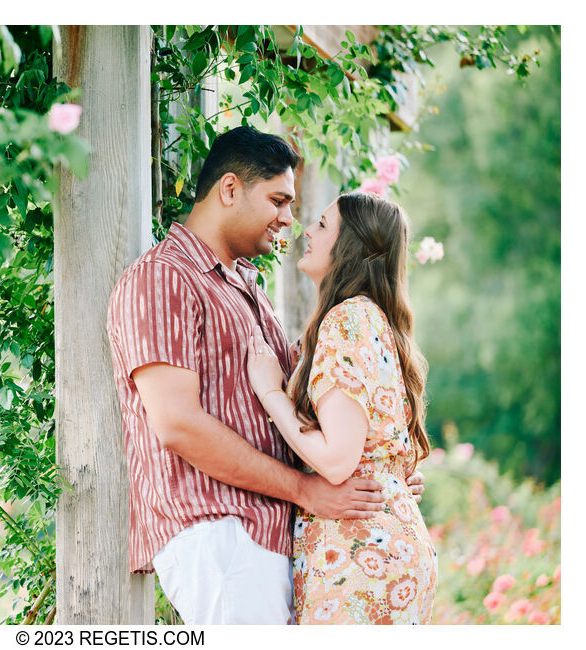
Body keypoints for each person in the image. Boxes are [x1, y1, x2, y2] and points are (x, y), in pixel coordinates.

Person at [105, 126, 424, 625]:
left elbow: (324, 401)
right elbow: (177, 424)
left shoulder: (246, 287)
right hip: (220, 531)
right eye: (278, 200)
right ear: (229, 189)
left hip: (273, 532)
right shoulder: (164, 278)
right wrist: (305, 491)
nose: (288, 220)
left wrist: (378, 475)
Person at [246, 191, 438, 624]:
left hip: (361, 559)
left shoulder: (348, 319)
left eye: (322, 225)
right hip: (386, 546)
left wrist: (270, 391)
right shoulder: (374, 320)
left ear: (349, 246)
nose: (306, 232)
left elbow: (336, 460)